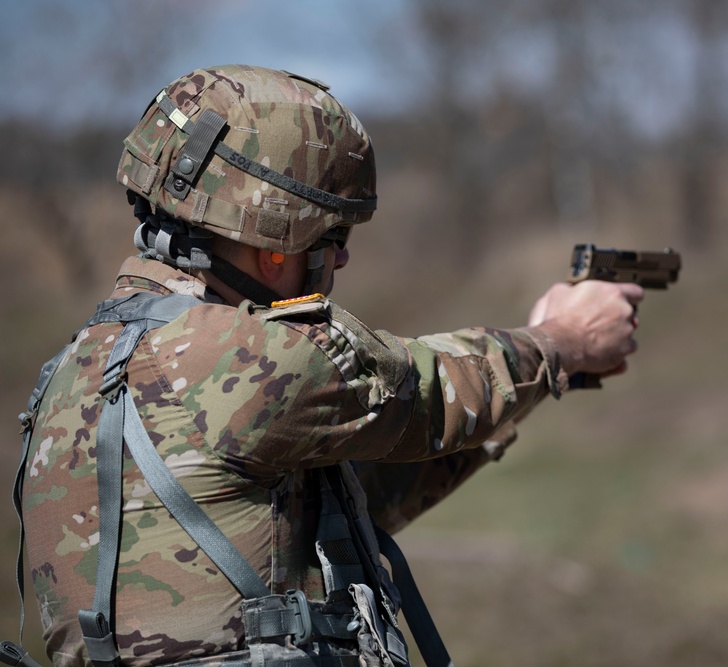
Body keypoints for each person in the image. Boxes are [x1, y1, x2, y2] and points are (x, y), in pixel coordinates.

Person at [16, 64, 642, 667]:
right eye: (332, 238)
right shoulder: (244, 356)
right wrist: (564, 339)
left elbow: (341, 507)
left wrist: (517, 397)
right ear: (275, 244)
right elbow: (430, 395)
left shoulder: (74, 371)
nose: (339, 262)